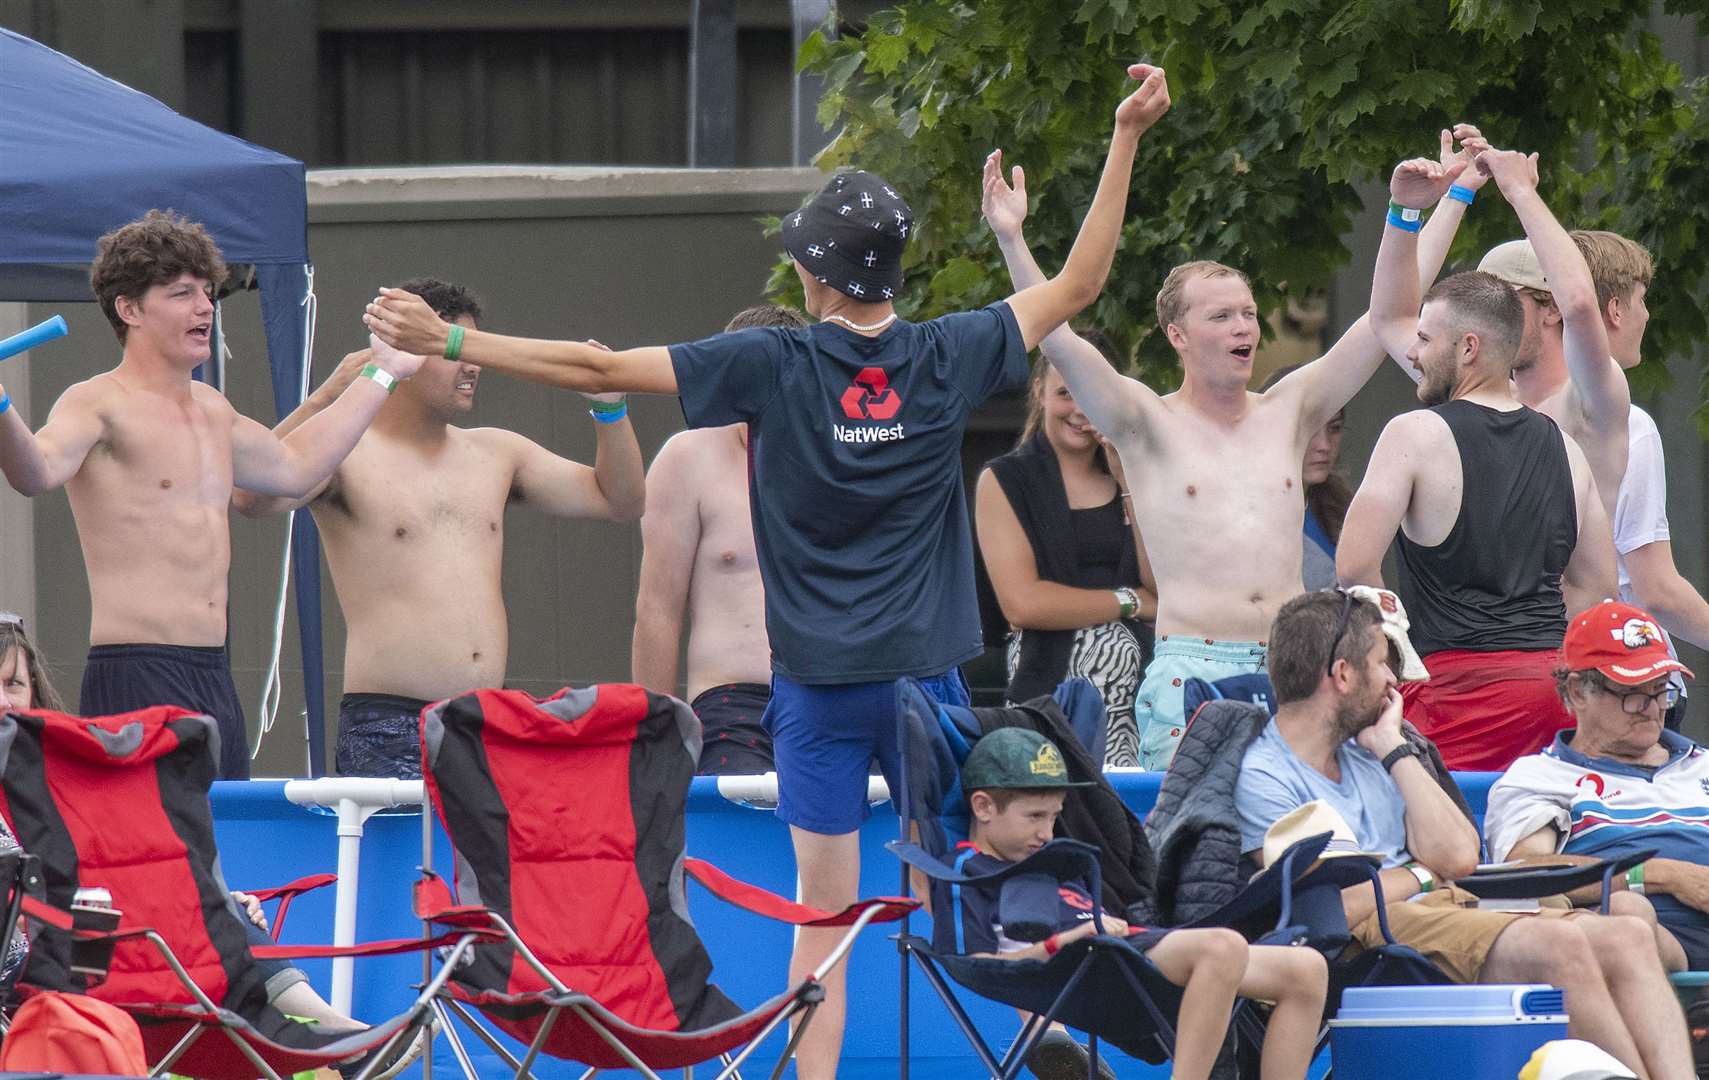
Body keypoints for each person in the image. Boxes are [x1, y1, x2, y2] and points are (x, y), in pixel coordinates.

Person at [365, 63, 1173, 1080]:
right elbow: (1081, 286)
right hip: (922, 682)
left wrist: (450, 338)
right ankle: (1044, 1037)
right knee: (961, 884)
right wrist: (1125, 135)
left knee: (821, 911)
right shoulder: (945, 353)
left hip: (816, 689)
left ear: (816, 278)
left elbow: (600, 369)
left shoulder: (771, 366)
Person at [982, 129, 1478, 770]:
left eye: (1247, 314)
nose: (1243, 327)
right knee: (1196, 846)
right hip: (1193, 666)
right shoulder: (1144, 422)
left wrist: (1444, 197)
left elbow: (1388, 314)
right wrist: (1010, 239)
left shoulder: (1291, 410)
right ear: (1177, 335)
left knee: (1299, 836)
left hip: (1294, 661)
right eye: (1221, 317)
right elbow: (1057, 338)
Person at [0, 211, 423, 780]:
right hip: (138, 670)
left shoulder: (215, 411)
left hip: (213, 673)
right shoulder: (95, 401)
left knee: (222, 849)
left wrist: (384, 373)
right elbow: (36, 471)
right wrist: (2, 406)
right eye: (181, 294)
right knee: (146, 854)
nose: (205, 307)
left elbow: (296, 470)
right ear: (129, 310)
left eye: (207, 291)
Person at [1235, 590, 1693, 1080]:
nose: (1395, 681)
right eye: (1380, 664)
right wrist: (1423, 873)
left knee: (1627, 928)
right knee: (1561, 946)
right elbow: (1334, 910)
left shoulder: (1372, 748)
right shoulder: (1267, 772)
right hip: (1377, 935)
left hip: (1442, 905)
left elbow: (1459, 855)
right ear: (1344, 675)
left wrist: (1393, 747)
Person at [234, 278, 645, 779]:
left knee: (483, 862)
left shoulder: (498, 452)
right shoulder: (345, 457)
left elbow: (620, 499)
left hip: (487, 721)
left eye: (471, 349)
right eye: (451, 350)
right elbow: (250, 496)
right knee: (397, 862)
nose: (471, 363)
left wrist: (609, 406)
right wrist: (327, 395)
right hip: (388, 722)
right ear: (404, 353)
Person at [0, 614, 419, 1077]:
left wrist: (211, 908)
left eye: (13, 683)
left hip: (111, 958)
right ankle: (347, 1045)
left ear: (35, 689)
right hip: (31, 978)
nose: (3, 700)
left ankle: (340, 1034)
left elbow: (126, 875)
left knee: (220, 914)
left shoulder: (69, 783)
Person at [1339, 148, 1616, 771]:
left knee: (1451, 865)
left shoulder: (1413, 432)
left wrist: (1399, 677)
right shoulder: (1566, 447)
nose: (1413, 351)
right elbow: (1595, 589)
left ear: (1467, 348)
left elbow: (1356, 567)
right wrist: (1440, 200)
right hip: (1553, 696)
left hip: (1448, 696)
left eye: (1426, 341)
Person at [951, 726, 1326, 1080]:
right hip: (1096, 969)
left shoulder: (1052, 862)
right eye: (1034, 816)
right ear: (983, 807)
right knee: (1221, 946)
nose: (1047, 833)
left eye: (1054, 817)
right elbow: (983, 967)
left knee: (1306, 968)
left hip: (1132, 952)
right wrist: (1065, 941)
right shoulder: (974, 872)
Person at [631, 304, 806, 775]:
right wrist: (656, 732)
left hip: (827, 695)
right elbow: (658, 607)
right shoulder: (689, 457)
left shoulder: (838, 456)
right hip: (732, 702)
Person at [1485, 600, 1705, 972]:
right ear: (1578, 691)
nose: (1652, 708)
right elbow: (1527, 872)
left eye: (1661, 689)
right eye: (1634, 693)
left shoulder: (1702, 763)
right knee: (1625, 914)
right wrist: (1665, 876)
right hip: (1660, 934)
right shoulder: (1541, 776)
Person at [975, 349, 1156, 766]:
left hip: (1139, 710)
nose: (1080, 410)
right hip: (1047, 698)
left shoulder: (1137, 472)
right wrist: (1131, 601)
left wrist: (1128, 478)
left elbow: (1162, 586)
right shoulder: (1004, 480)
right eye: (1065, 393)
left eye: (1092, 395)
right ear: (1039, 392)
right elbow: (1023, 604)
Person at [1571, 230, 1709, 729]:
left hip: (1544, 669)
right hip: (1632, 680)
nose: (1647, 316)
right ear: (1613, 309)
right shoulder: (1633, 427)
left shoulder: (1515, 413)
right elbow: (1654, 589)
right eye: (1641, 300)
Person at [1477, 223, 1628, 524]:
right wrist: (1414, 207)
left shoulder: (1588, 398)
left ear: (1553, 309)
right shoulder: (1477, 394)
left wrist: (1519, 189)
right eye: (1479, 309)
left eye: (1504, 306)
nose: (1488, 322)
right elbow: (1389, 320)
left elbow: (1581, 306)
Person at [1260, 364, 1349, 591]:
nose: (1324, 445)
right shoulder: (1244, 511)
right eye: (1309, 428)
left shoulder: (1342, 505)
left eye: (1334, 428)